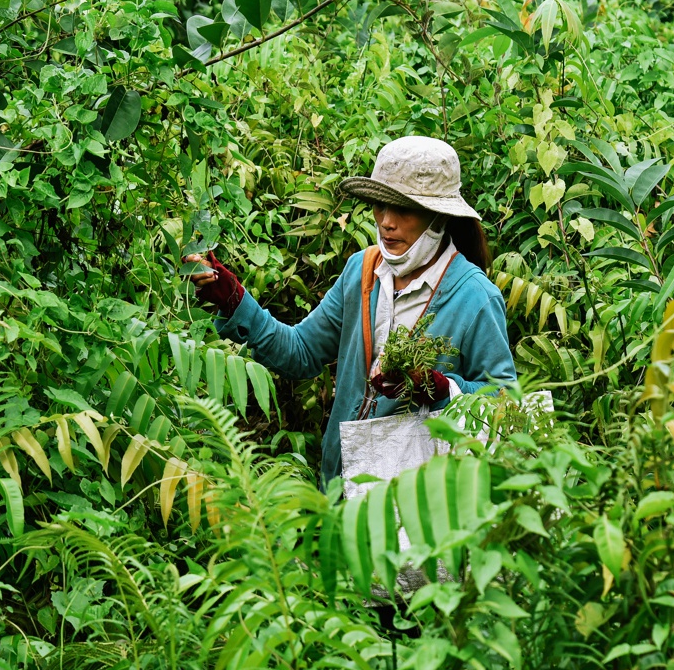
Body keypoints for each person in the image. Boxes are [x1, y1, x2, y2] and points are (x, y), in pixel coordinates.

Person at [187, 135, 516, 487]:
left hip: (418, 504)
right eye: (379, 205)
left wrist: (441, 390)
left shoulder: (475, 297)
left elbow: (507, 407)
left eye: (403, 209)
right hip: (339, 488)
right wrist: (234, 300)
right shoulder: (363, 270)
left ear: (438, 217)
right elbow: (300, 352)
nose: (386, 222)